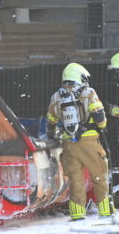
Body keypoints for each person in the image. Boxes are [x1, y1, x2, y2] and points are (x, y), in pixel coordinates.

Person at [45, 63, 111, 220]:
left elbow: (51, 122)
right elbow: (99, 117)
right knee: (99, 176)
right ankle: (105, 211)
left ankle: (77, 214)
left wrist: (53, 135)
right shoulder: (89, 92)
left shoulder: (56, 96)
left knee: (76, 181)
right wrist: (102, 126)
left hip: (68, 144)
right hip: (88, 141)